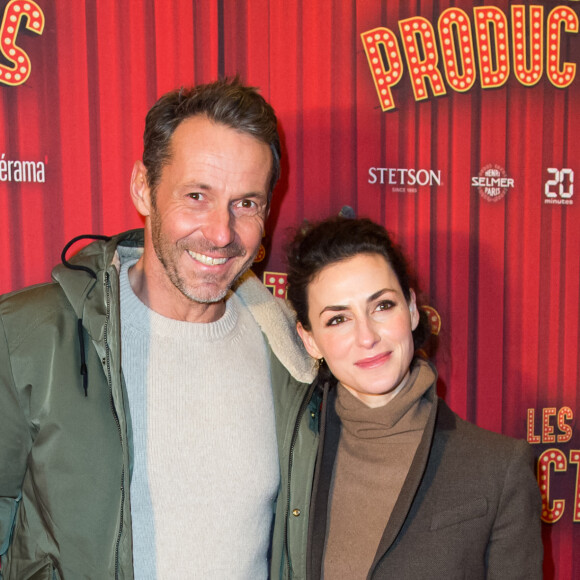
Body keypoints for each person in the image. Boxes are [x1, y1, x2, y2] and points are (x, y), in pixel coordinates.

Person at [0, 78, 317, 579]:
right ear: (143, 188)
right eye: (197, 195)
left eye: (247, 203)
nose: (220, 232)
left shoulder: (292, 356)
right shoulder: (28, 337)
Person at [277, 216, 543, 579]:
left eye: (382, 306)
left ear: (412, 309)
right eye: (338, 319)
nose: (367, 335)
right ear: (309, 340)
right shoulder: (290, 460)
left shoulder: (499, 467)